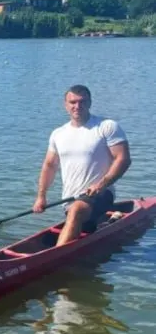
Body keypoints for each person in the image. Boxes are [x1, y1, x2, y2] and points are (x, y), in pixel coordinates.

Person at [33, 84, 131, 246]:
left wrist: (102, 184)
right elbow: (49, 166)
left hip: (101, 194)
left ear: (90, 103)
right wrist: (41, 197)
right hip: (69, 199)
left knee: (77, 210)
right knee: (79, 217)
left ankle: (58, 256)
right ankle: (105, 223)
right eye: (72, 102)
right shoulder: (58, 134)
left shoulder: (106, 126)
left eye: (82, 102)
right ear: (65, 105)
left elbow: (123, 159)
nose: (77, 106)